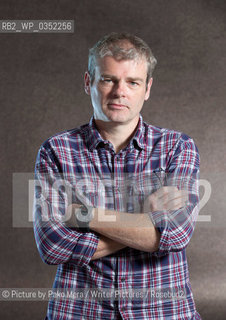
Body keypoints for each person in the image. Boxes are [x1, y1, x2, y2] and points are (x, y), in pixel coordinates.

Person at [33, 32, 201, 319]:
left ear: (147, 88)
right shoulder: (56, 150)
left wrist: (85, 215)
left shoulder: (178, 147)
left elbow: (176, 234)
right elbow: (53, 246)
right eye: (108, 79)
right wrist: (145, 221)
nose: (119, 92)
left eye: (132, 82)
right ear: (89, 82)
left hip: (163, 312)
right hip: (80, 311)